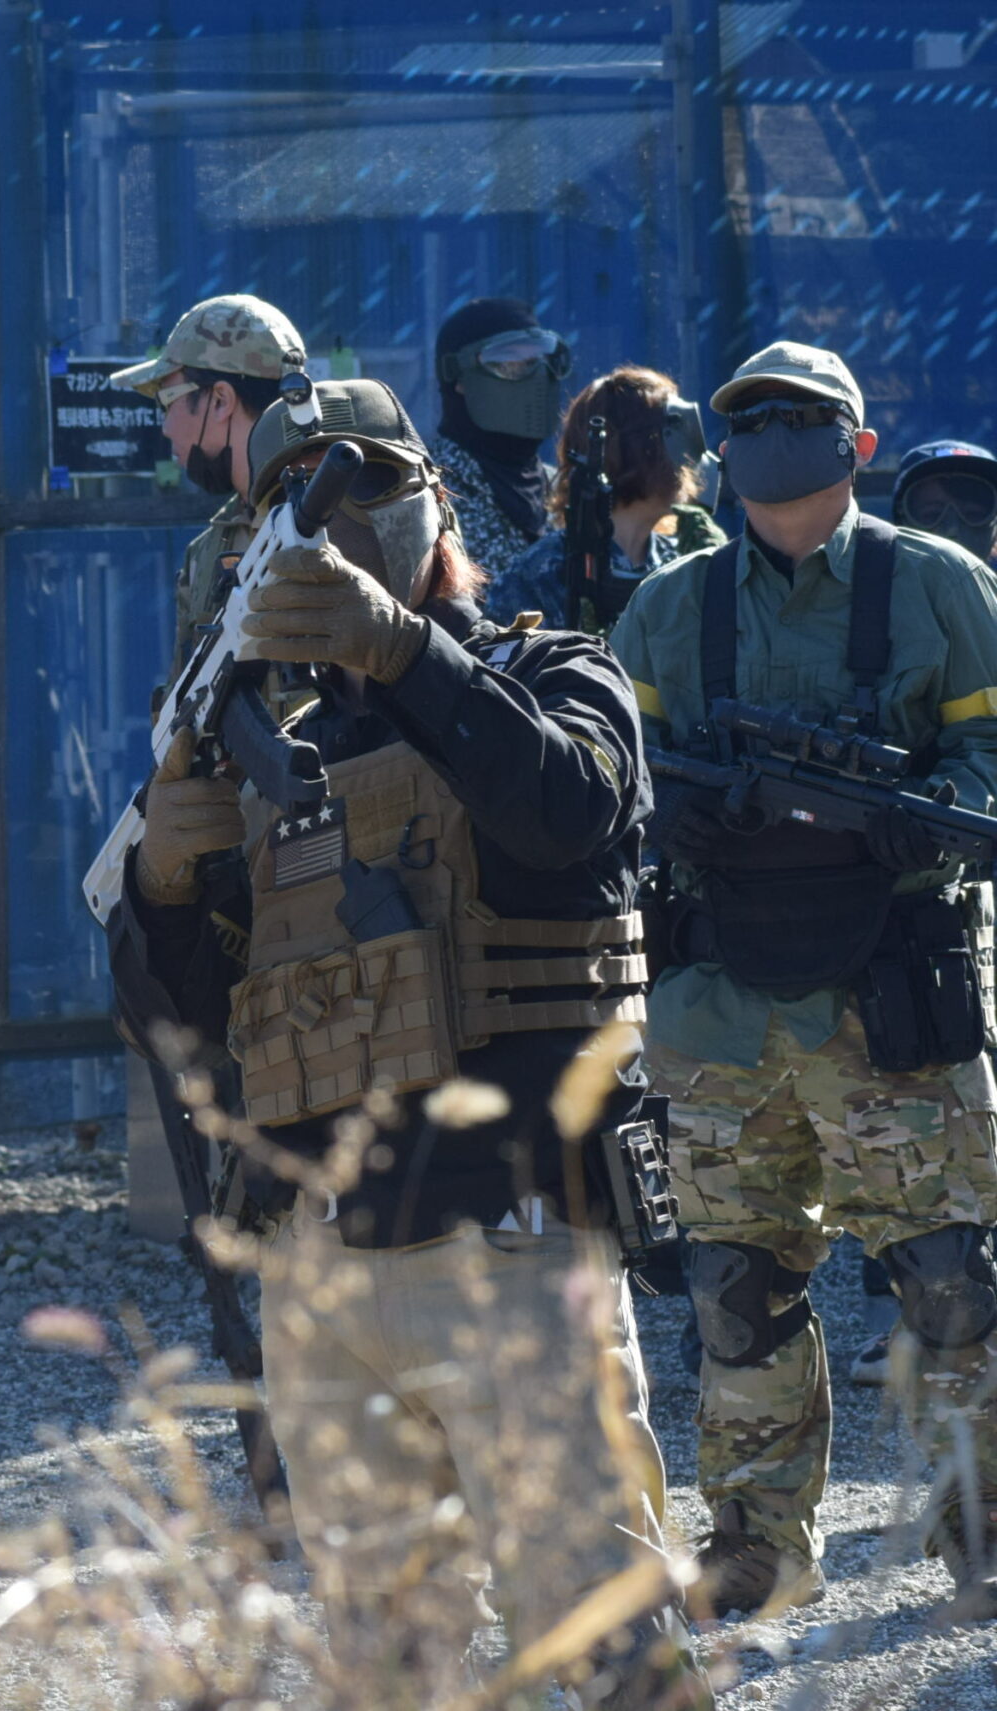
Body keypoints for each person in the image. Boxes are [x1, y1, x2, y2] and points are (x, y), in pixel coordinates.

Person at [109, 376, 708, 1707]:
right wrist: (161, 885)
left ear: (437, 509)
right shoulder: (262, 754)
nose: (334, 522)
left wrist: (404, 653)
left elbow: (571, 811)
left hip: (510, 1244)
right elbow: (182, 1032)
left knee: (609, 1638)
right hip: (322, 1272)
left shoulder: (555, 673)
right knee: (387, 1665)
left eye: (367, 482)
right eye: (293, 498)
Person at [609, 340, 997, 1616]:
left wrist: (920, 816)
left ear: (858, 446)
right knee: (735, 1291)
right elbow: (612, 770)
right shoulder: (671, 604)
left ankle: (980, 1515)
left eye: (804, 416)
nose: (776, 435)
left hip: (891, 995)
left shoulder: (940, 584)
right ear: (720, 454)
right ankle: (757, 1545)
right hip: (720, 1006)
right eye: (751, 419)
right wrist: (676, 817)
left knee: (946, 1278)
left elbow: (990, 757)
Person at [110, 294, 308, 673]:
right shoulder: (207, 552)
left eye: (167, 401)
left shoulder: (341, 517)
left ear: (220, 400)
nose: (166, 427)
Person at [488, 366, 727, 634]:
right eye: (671, 434)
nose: (687, 460)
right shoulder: (540, 575)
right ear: (635, 449)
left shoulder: (680, 562)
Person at [431, 297, 572, 577]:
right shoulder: (431, 489)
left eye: (539, 359)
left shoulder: (559, 489)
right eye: (510, 361)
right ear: (458, 379)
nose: (537, 375)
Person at [892, 438, 997, 566]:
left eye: (973, 514)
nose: (952, 530)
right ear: (901, 521)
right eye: (932, 514)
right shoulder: (871, 578)